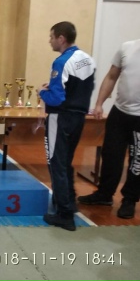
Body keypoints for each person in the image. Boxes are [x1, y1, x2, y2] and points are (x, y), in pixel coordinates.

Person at [37, 21, 95, 231]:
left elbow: (57, 98)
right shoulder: (87, 59)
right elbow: (78, 87)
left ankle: (64, 214)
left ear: (61, 38)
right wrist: (53, 87)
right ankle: (70, 201)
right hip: (78, 117)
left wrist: (42, 92)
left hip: (60, 118)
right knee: (66, 161)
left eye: (52, 37)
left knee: (56, 163)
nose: (50, 41)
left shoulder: (61, 61)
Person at [78, 39, 140, 219]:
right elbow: (112, 76)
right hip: (119, 112)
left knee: (137, 161)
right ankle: (104, 194)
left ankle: (129, 200)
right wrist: (99, 103)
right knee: (111, 154)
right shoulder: (127, 47)